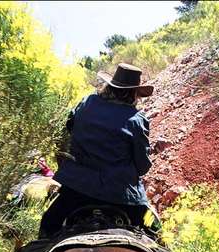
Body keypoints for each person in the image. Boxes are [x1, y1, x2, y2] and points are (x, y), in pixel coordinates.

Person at [38, 63, 154, 239]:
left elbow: (67, 130)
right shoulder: (137, 120)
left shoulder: (87, 102)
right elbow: (142, 167)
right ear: (134, 93)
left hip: (76, 189)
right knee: (156, 232)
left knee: (48, 225)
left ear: (110, 86)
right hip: (122, 197)